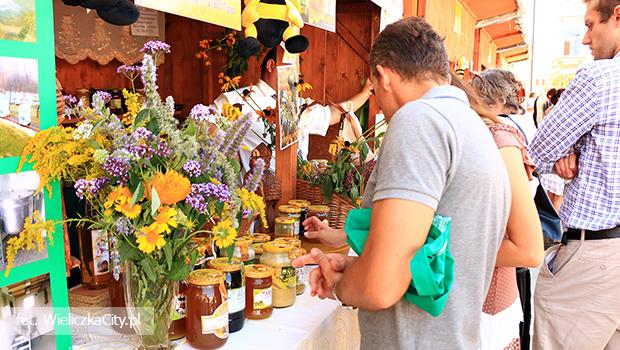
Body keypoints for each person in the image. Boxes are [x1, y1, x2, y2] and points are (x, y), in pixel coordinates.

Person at [293, 17, 511, 349]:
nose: (379, 101)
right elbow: (421, 260)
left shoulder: (420, 120)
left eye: (375, 88)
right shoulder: (474, 126)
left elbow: (380, 288)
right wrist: (355, 265)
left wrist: (340, 284)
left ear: (385, 76)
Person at [529, 0, 620, 348]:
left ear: (617, 15)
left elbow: (537, 150)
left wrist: (565, 151)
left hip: (595, 258)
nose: (585, 39)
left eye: (589, 25)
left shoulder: (600, 78)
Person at [469, 70, 544, 350]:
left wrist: (447, 247)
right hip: (492, 292)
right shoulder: (501, 131)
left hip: (489, 296)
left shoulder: (499, 136)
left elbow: (529, 250)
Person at [211, 47, 372, 173]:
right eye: (289, 67)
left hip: (298, 194)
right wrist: (230, 156)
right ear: (270, 65)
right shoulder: (234, 100)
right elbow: (202, 124)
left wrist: (365, 93)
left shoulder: (301, 106)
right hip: (254, 196)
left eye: (296, 69)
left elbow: (334, 114)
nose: (294, 75)